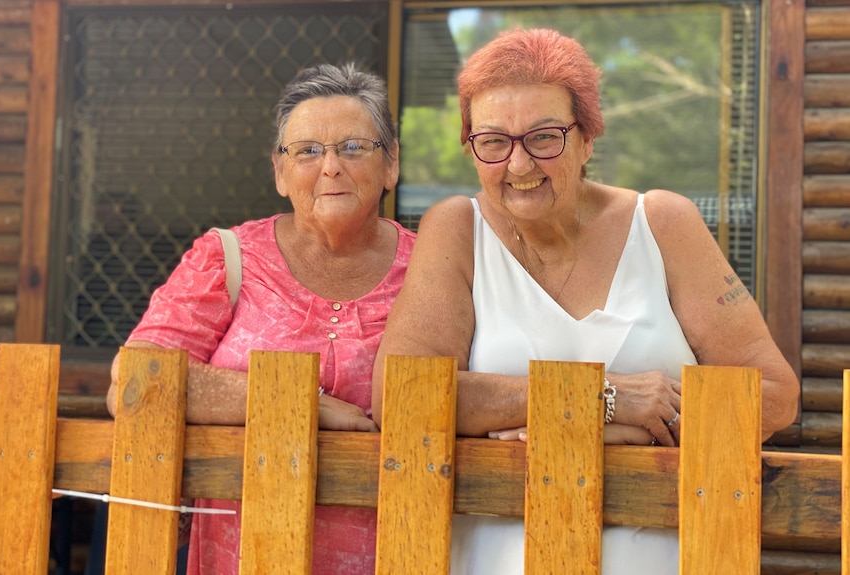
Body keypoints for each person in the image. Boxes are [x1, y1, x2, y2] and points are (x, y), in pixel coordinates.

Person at [371, 28, 799, 575]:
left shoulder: (663, 224)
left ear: (588, 138)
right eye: (494, 141)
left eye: (545, 137)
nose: (519, 166)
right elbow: (401, 395)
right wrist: (607, 402)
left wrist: (550, 414)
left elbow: (773, 393)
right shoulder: (457, 229)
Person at [107, 62, 416, 575]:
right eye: (308, 151)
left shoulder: (433, 269)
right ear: (279, 170)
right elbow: (136, 381)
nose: (331, 166)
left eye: (354, 147)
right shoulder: (228, 259)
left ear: (391, 164)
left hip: (400, 554)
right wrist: (300, 405)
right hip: (244, 557)